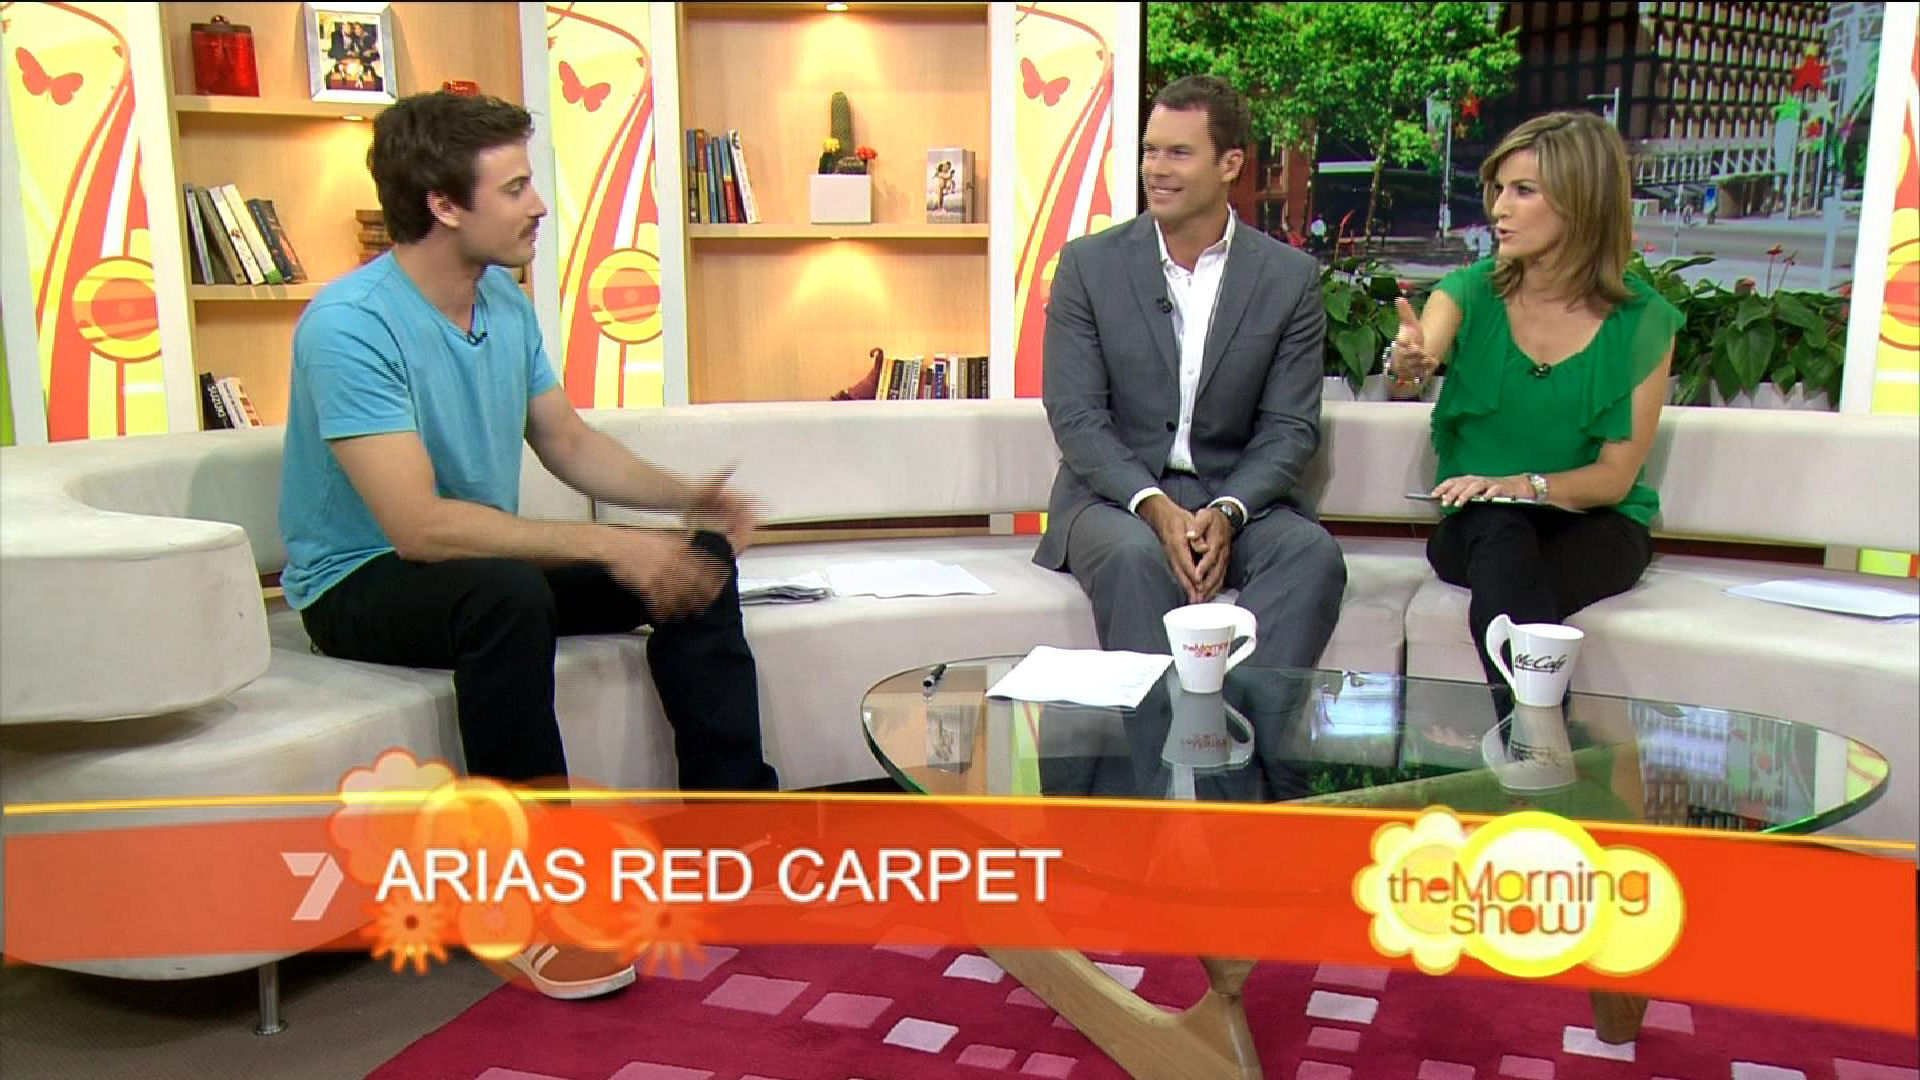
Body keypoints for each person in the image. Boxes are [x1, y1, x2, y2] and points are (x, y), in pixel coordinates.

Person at [278, 91, 778, 998]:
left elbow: (567, 441)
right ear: (443, 204)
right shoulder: (350, 325)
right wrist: (606, 545)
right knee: (506, 595)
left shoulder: (502, 305)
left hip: (477, 560)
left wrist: (687, 501)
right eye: (514, 188)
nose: (539, 205)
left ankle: (731, 836)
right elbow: (417, 527)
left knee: (695, 563)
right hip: (359, 581)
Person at [1035, 74, 1347, 671]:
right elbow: (1076, 416)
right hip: (1115, 501)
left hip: (1233, 497)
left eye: (1178, 153)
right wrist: (1153, 504)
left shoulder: (1288, 279)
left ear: (1230, 164)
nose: (1156, 169)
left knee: (1311, 555)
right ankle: (1161, 732)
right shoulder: (1087, 266)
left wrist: (1228, 510)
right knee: (1134, 558)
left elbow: (1289, 427)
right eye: (1150, 150)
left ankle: (1241, 723)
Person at [1386, 111, 1682, 707]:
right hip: (1477, 524)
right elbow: (1414, 366)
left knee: (1517, 583)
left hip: (1595, 524)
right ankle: (1542, 741)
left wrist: (1522, 485)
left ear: (1581, 202)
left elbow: (1614, 477)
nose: (1500, 209)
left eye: (1524, 191)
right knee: (1502, 537)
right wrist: (1407, 365)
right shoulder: (1468, 292)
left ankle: (1524, 739)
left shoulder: (1644, 321)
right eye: (1498, 189)